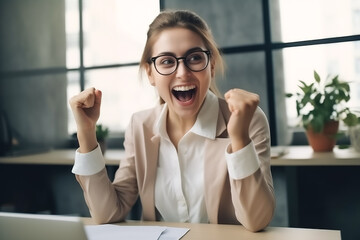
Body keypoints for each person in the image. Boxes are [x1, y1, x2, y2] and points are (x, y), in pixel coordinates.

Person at [69, 10, 275, 232]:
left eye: (195, 58)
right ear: (150, 73)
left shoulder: (248, 119)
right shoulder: (140, 125)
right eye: (167, 61)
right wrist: (86, 132)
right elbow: (107, 212)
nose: (182, 72)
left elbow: (257, 221)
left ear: (211, 65)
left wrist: (240, 139)